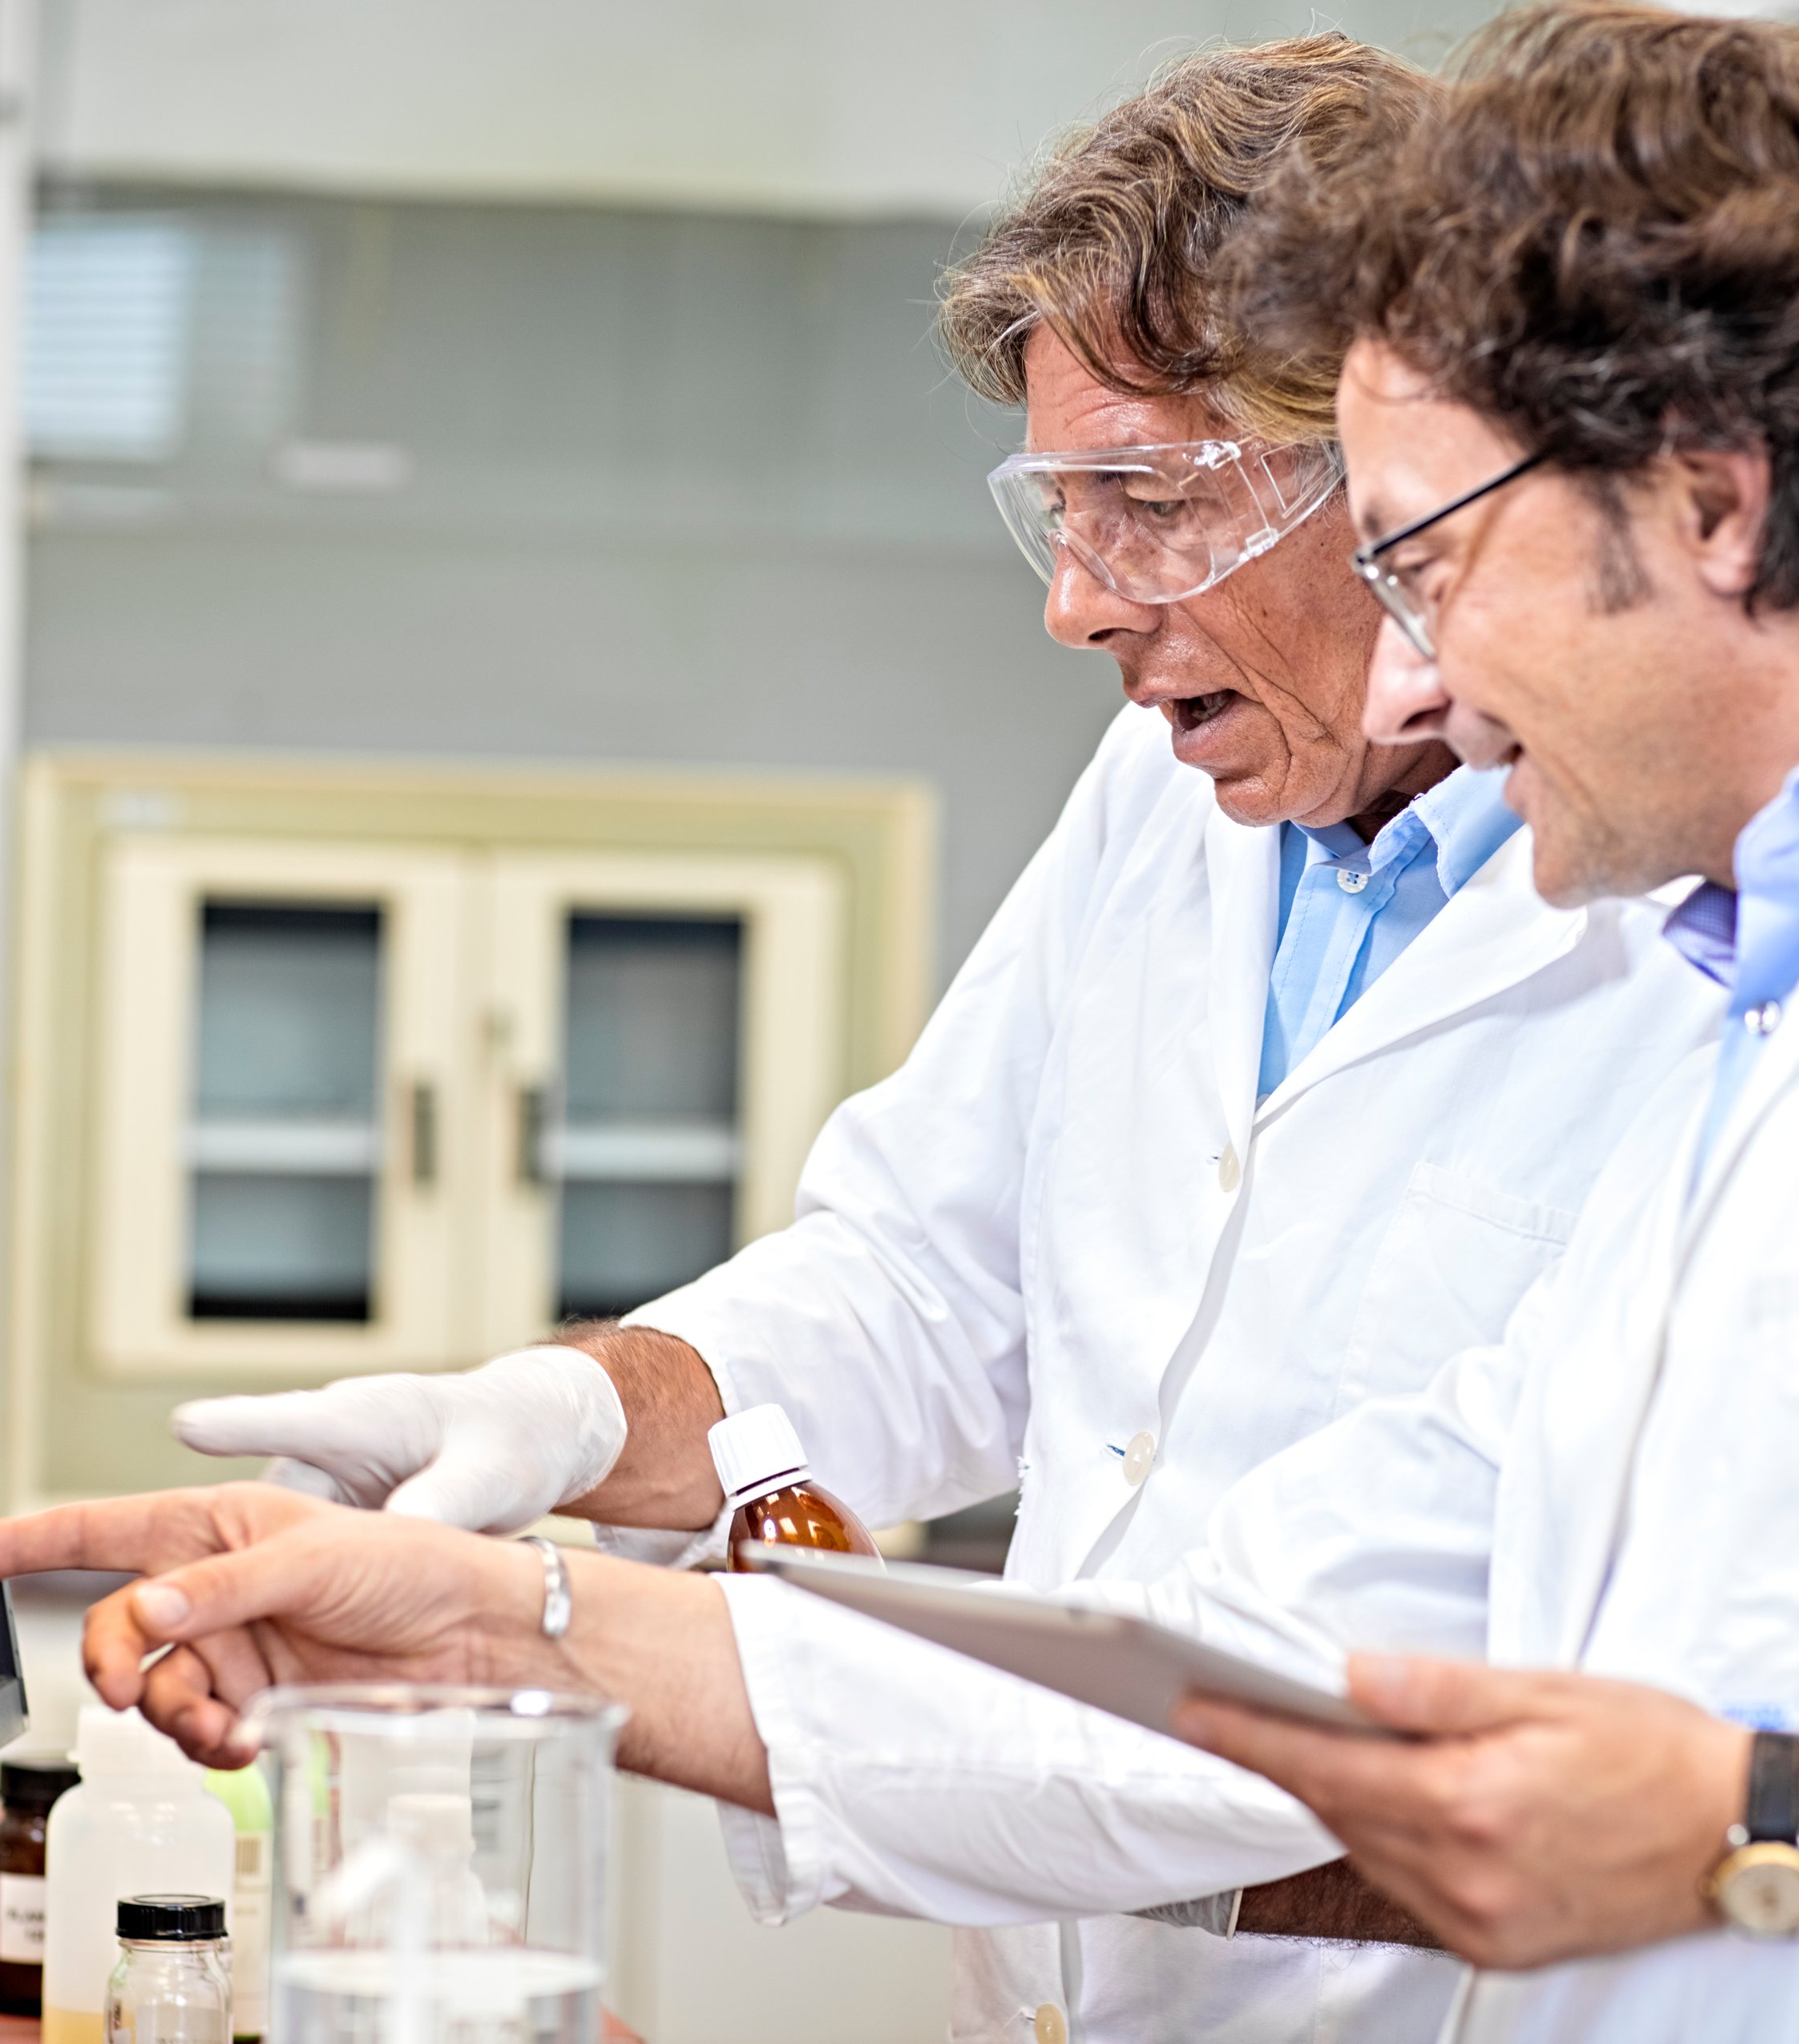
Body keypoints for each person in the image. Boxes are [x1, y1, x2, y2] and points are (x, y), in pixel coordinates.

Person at [0, 5, 1799, 2037]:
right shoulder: (1780, 984)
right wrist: (505, 1601)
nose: (1424, 653)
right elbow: (1257, 1684)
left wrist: (1787, 1822)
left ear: (1715, 501)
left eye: (1436, 550)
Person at [144, 34, 1717, 2043]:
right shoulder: (1171, 797)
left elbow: (1346, 1698)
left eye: (1148, 502)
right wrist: (562, 1410)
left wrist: (534, 1633)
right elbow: (927, 1271)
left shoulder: (1683, 943)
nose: (1077, 603)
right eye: (1061, 509)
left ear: (1409, 472)